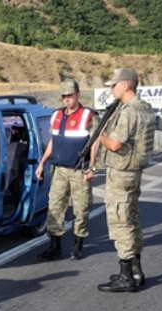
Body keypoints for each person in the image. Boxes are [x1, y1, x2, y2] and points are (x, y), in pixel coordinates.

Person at [97, 68, 155, 293]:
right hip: (133, 172)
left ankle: (125, 276)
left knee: (121, 222)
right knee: (132, 220)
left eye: (114, 84)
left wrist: (97, 132)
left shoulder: (129, 111)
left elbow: (115, 144)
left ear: (126, 85)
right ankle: (136, 271)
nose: (111, 88)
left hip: (122, 173)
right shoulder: (144, 107)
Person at [35, 79, 100, 261]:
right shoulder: (56, 115)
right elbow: (52, 142)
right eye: (64, 96)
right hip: (59, 170)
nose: (67, 100)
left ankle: (77, 246)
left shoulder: (89, 115)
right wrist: (42, 162)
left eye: (70, 96)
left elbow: (94, 143)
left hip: (80, 170)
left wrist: (92, 167)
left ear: (78, 95)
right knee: (55, 208)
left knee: (81, 209)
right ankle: (55, 246)